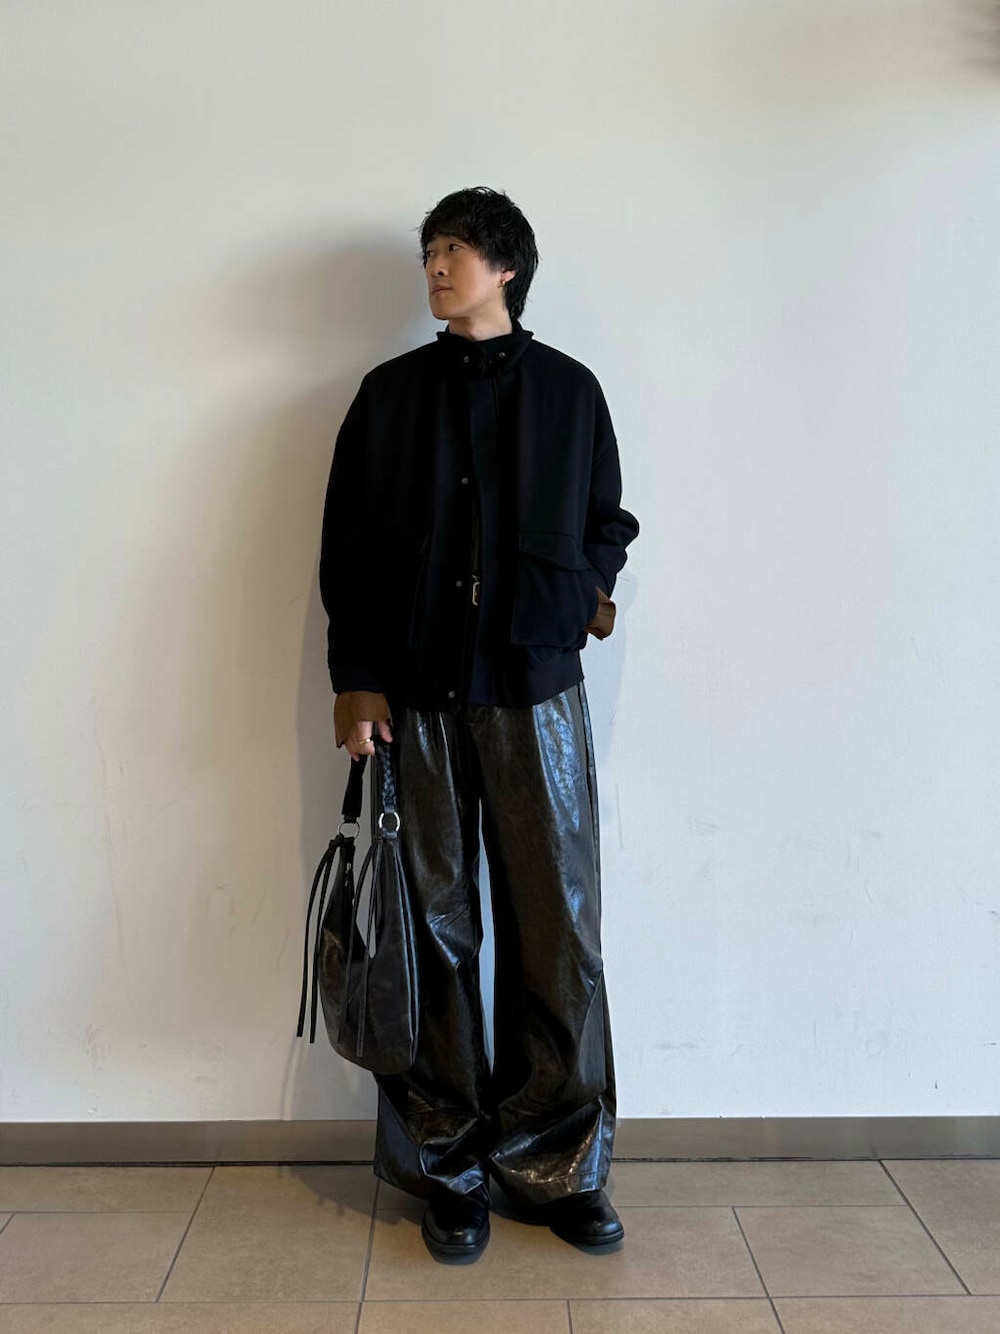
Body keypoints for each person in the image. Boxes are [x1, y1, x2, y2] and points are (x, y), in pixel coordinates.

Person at [318, 186, 639, 1262]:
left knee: (559, 931)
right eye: (430, 252)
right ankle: (447, 1167)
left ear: (506, 266)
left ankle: (559, 1165)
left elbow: (607, 519)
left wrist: (583, 597)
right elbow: (350, 549)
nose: (435, 267)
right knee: (436, 933)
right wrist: (358, 681)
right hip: (418, 700)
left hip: (536, 692)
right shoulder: (389, 397)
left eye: (454, 249)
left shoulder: (569, 391)